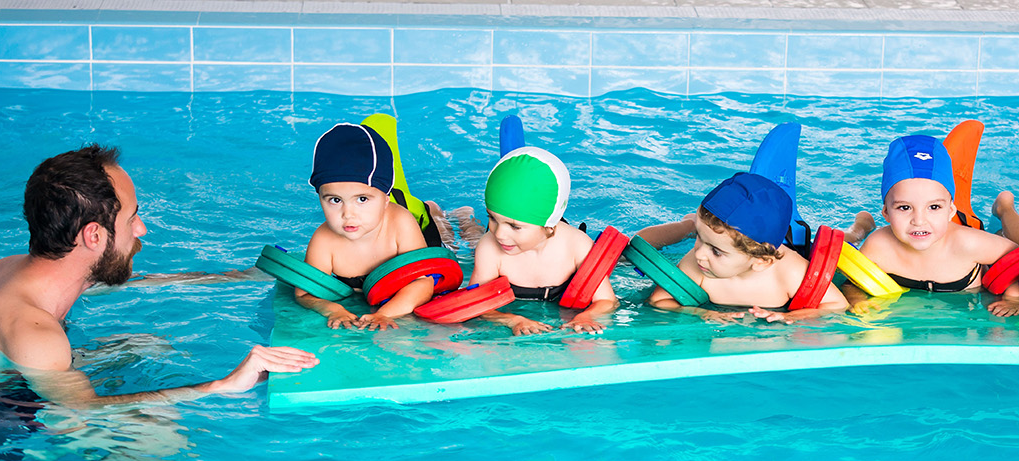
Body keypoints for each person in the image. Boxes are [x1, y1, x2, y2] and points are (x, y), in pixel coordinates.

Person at [0, 144, 316, 407]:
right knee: (153, 431)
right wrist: (223, 385)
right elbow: (83, 411)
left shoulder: (11, 269)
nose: (141, 230)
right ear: (94, 236)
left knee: (145, 346)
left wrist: (238, 277)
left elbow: (125, 281)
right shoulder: (36, 337)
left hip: (20, 375)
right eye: (132, 219)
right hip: (3, 422)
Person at [839, 134, 1019, 316]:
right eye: (905, 208)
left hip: (965, 227)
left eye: (933, 206)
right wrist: (857, 300)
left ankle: (1005, 207)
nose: (919, 220)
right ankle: (862, 224)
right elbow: (853, 283)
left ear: (950, 210)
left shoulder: (970, 243)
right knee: (845, 244)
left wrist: (1013, 299)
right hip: (935, 230)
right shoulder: (878, 245)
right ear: (886, 213)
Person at [646, 171, 848, 323]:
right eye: (700, 238)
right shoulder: (697, 264)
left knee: (849, 239)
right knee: (695, 229)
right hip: (750, 239)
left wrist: (793, 317)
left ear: (761, 262)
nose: (699, 254)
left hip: (784, 244)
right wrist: (701, 313)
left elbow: (837, 304)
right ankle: (690, 226)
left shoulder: (791, 272)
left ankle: (859, 227)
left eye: (716, 251)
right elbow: (659, 301)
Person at [297, 122, 436, 330]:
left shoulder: (401, 224)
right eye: (335, 200)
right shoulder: (324, 239)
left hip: (420, 225)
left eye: (362, 199)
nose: (347, 214)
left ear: (385, 198)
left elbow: (424, 282)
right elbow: (304, 293)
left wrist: (385, 314)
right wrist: (332, 309)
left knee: (446, 232)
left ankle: (439, 213)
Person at [468, 146, 618, 335]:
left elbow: (606, 300)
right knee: (473, 235)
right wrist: (512, 319)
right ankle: (463, 216)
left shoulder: (576, 245)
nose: (499, 234)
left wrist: (587, 316)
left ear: (548, 226)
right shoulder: (489, 248)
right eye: (492, 217)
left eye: (514, 226)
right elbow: (475, 303)